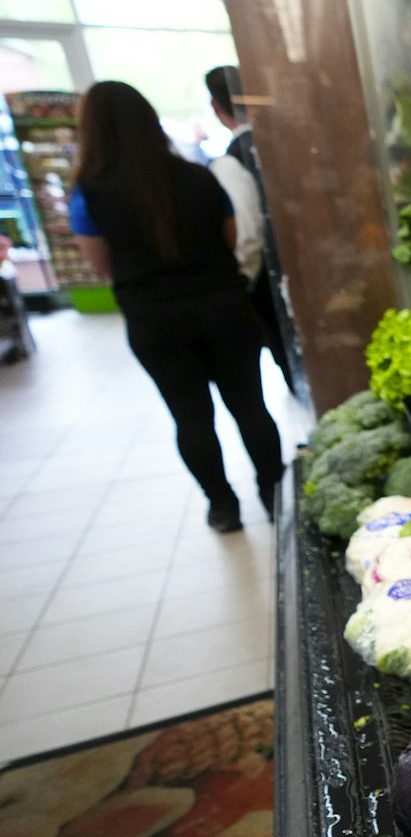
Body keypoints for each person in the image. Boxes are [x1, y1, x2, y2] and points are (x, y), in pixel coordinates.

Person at [70, 80, 284, 532]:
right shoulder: (199, 177)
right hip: (225, 307)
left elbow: (98, 262)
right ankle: (274, 494)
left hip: (154, 320)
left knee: (190, 418)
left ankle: (222, 507)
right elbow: (231, 236)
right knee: (250, 406)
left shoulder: (89, 193)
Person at [205, 65, 291, 386]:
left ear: (216, 107)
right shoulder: (285, 146)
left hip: (268, 285)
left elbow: (248, 238)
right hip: (306, 273)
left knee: (291, 356)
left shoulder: (230, 162)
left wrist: (241, 284)